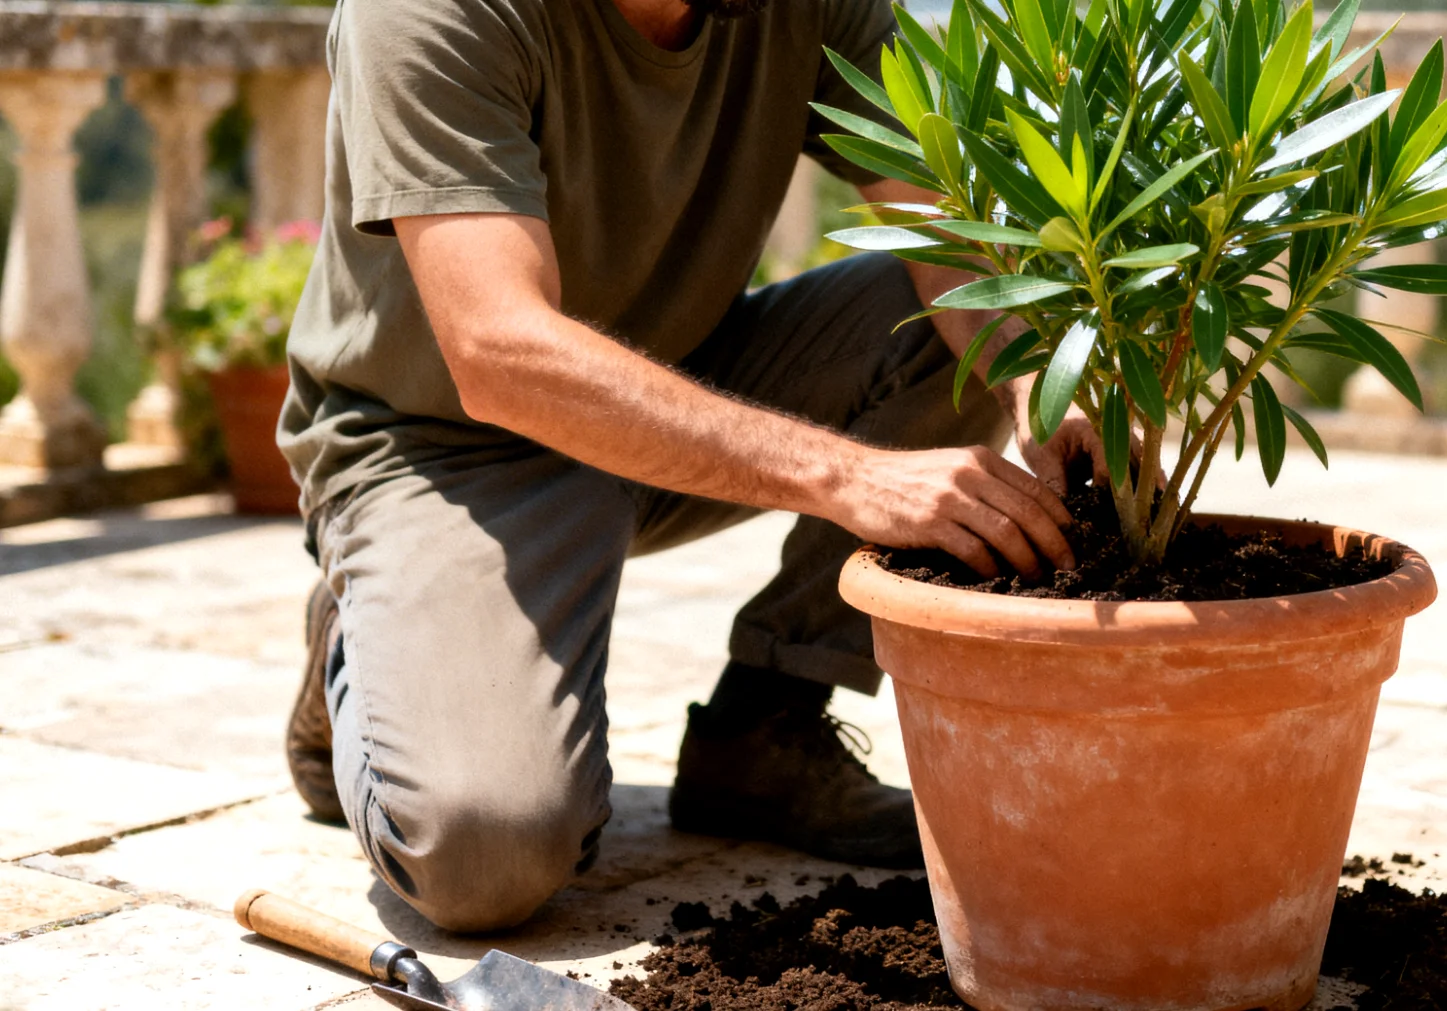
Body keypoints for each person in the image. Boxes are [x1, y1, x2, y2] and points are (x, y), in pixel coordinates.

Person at [278, 0, 1109, 933]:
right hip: (444, 450)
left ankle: (765, 729)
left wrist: (1041, 384)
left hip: (675, 379)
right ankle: (363, 635)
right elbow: (500, 353)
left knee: (929, 331)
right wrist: (849, 476)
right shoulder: (433, 13)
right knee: (486, 853)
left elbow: (939, 226)